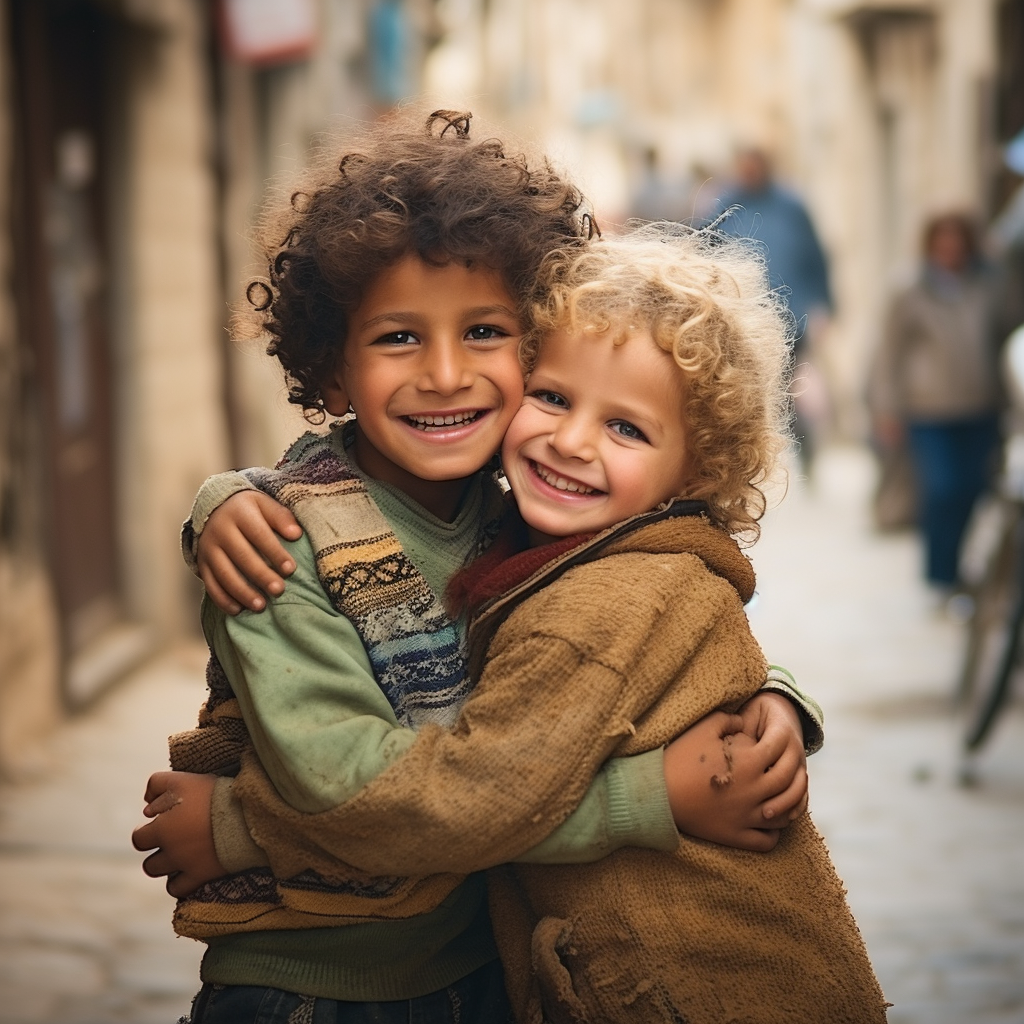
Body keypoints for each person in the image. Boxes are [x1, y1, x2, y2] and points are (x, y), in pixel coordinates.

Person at [131, 113, 819, 1023]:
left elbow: (650, 622)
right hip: (320, 987)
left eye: (486, 330)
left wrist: (770, 695)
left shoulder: (523, 514)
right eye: (398, 339)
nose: (448, 374)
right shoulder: (279, 549)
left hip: (488, 973)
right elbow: (361, 798)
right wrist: (656, 799)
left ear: (532, 348)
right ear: (332, 372)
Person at [869, 212, 1002, 597]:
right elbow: (889, 354)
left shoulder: (987, 285)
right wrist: (886, 408)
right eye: (942, 238)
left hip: (981, 407)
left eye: (957, 238)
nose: (950, 247)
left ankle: (959, 567)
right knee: (942, 489)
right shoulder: (909, 289)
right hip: (929, 410)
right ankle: (940, 574)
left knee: (972, 490)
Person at [714, 146, 834, 472]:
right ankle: (747, 455)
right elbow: (705, 248)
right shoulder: (725, 204)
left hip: (790, 316)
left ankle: (803, 448)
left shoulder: (792, 207)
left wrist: (826, 305)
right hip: (741, 317)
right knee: (746, 388)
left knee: (787, 387)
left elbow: (816, 257)